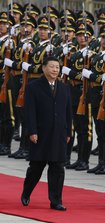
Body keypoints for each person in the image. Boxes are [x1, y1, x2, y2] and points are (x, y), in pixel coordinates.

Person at [21, 56, 72, 211]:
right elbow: (30, 111)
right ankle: (26, 192)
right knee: (36, 167)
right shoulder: (33, 86)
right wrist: (32, 131)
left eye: (57, 67)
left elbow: (68, 112)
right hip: (41, 134)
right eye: (52, 67)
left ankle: (56, 200)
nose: (55, 70)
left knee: (58, 167)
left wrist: (69, 131)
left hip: (59, 134)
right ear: (44, 68)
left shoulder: (64, 87)